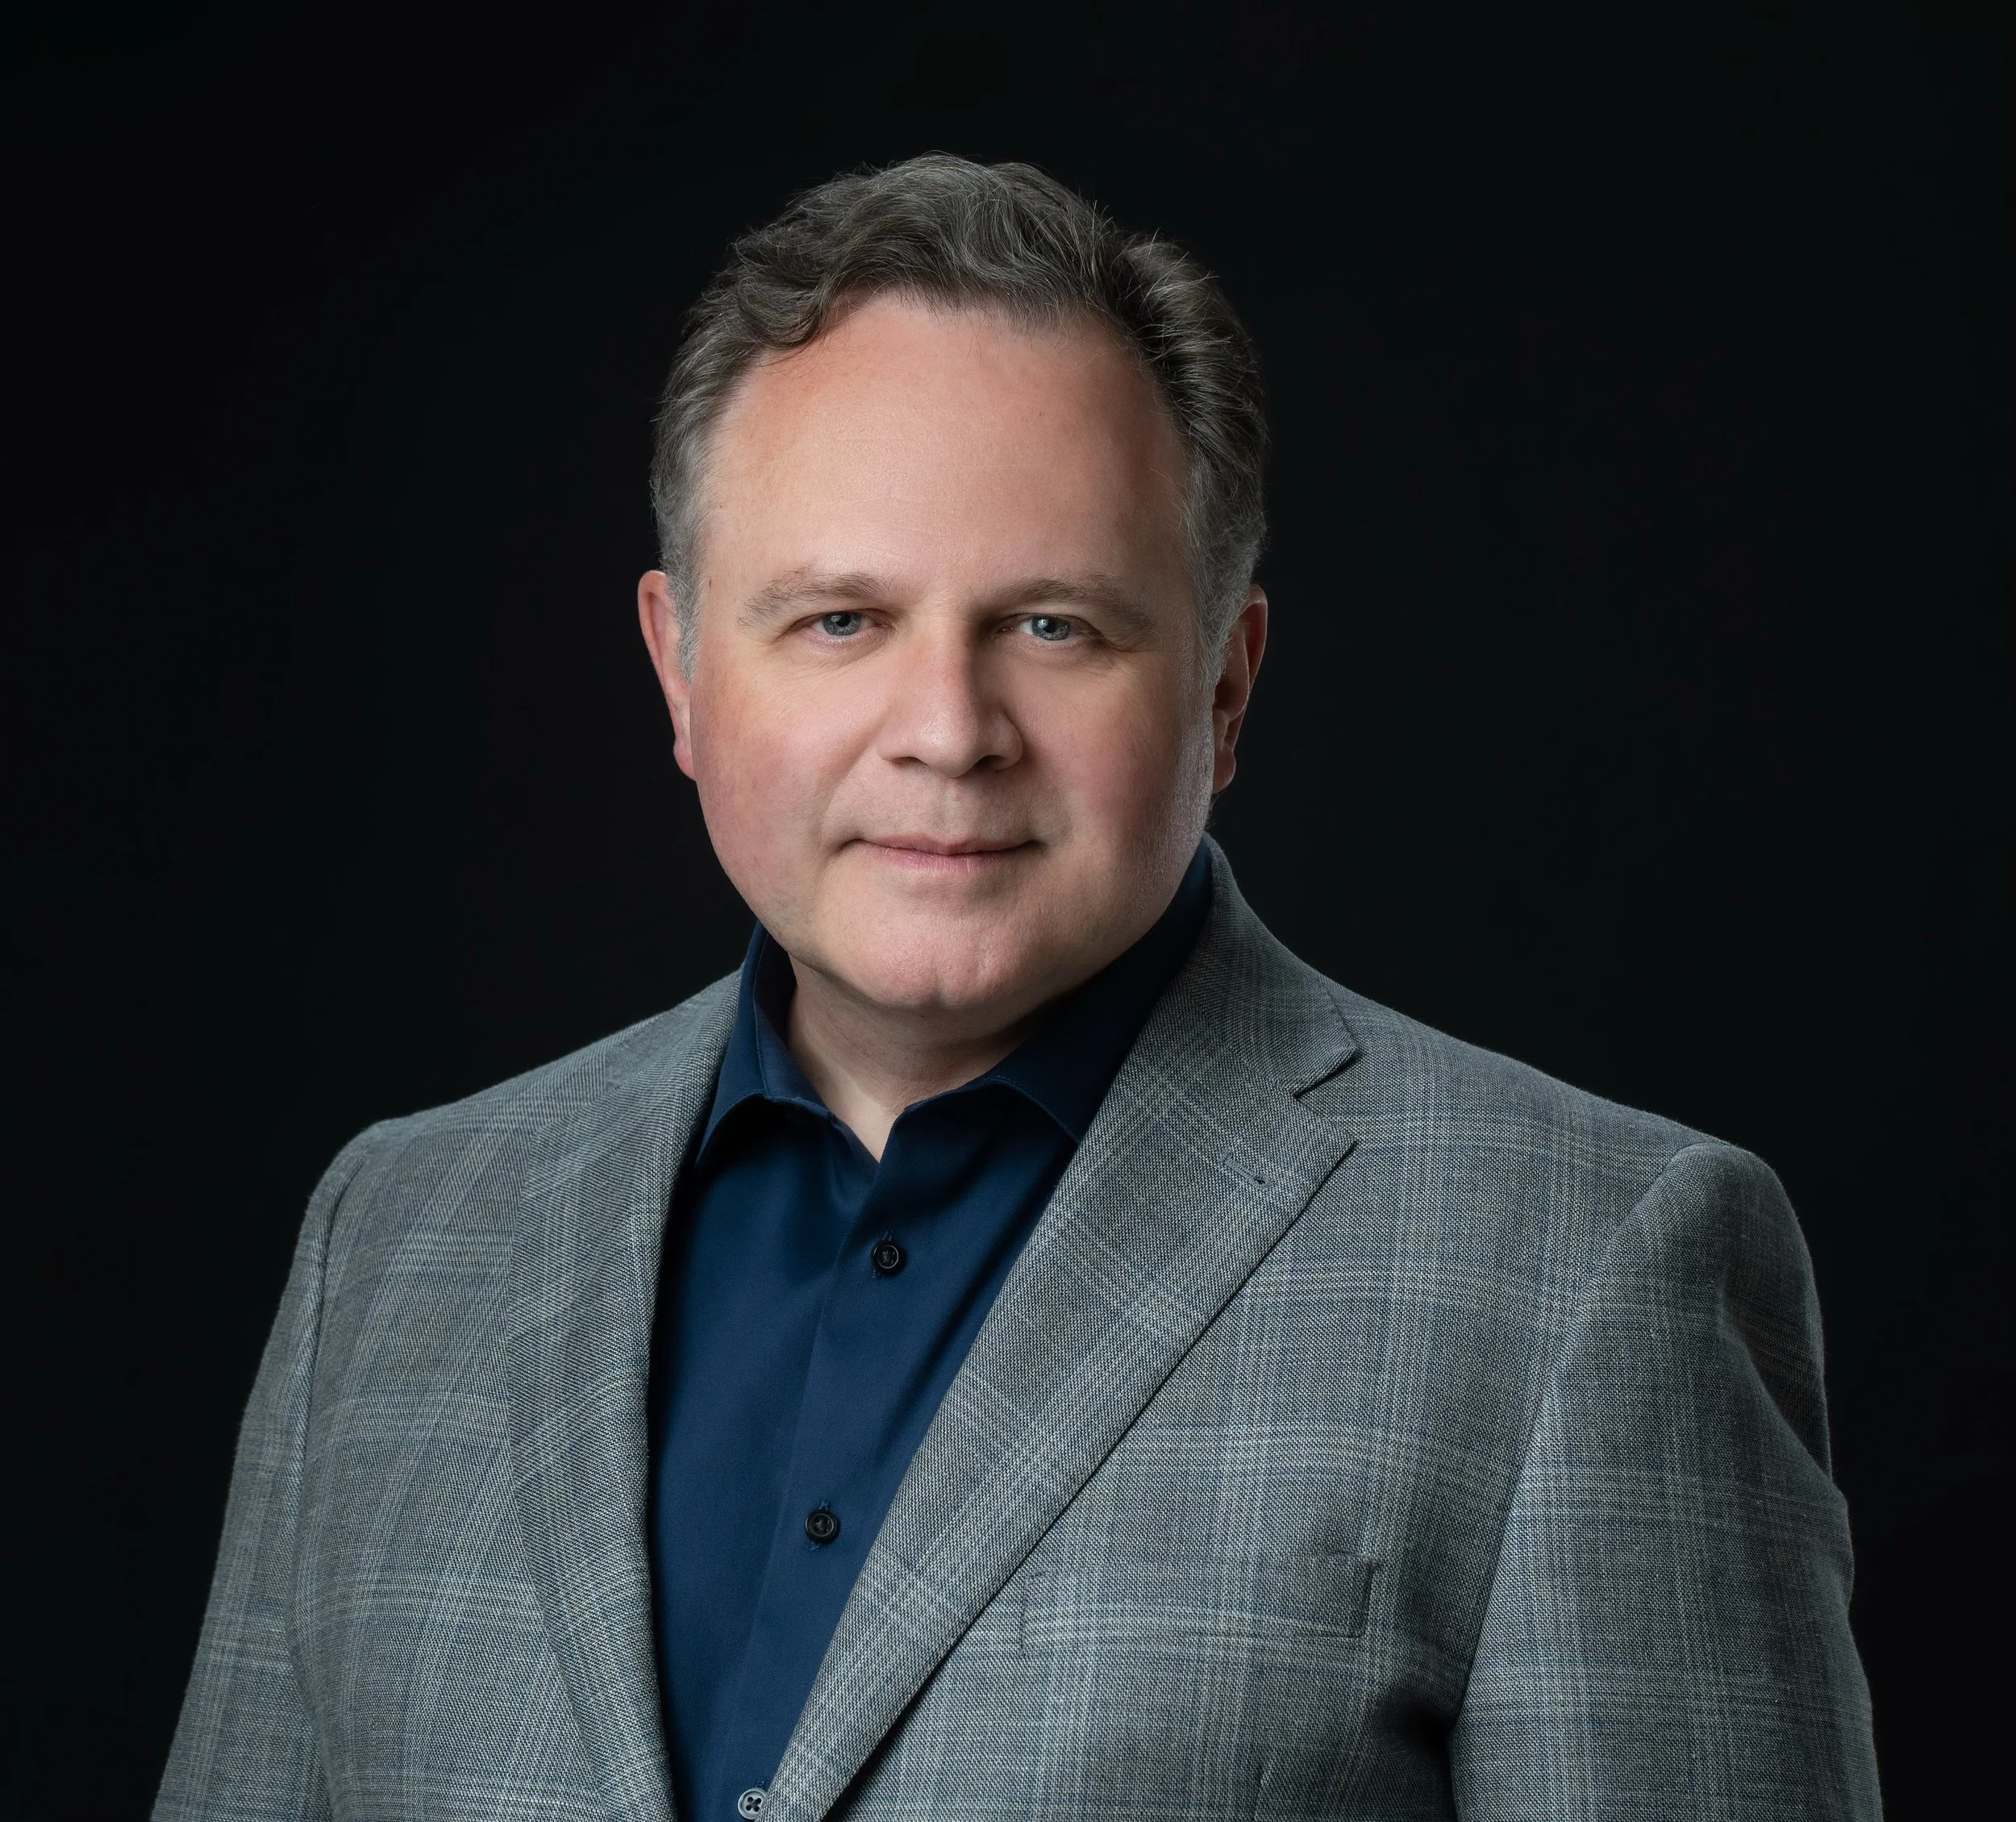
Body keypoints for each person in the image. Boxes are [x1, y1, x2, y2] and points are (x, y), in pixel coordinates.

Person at [156, 156, 1880, 1821]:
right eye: (837, 620)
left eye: (1052, 625)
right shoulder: (391, 1239)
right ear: (680, 670)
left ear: (1221, 681)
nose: (946, 731)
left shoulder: (1588, 1266)